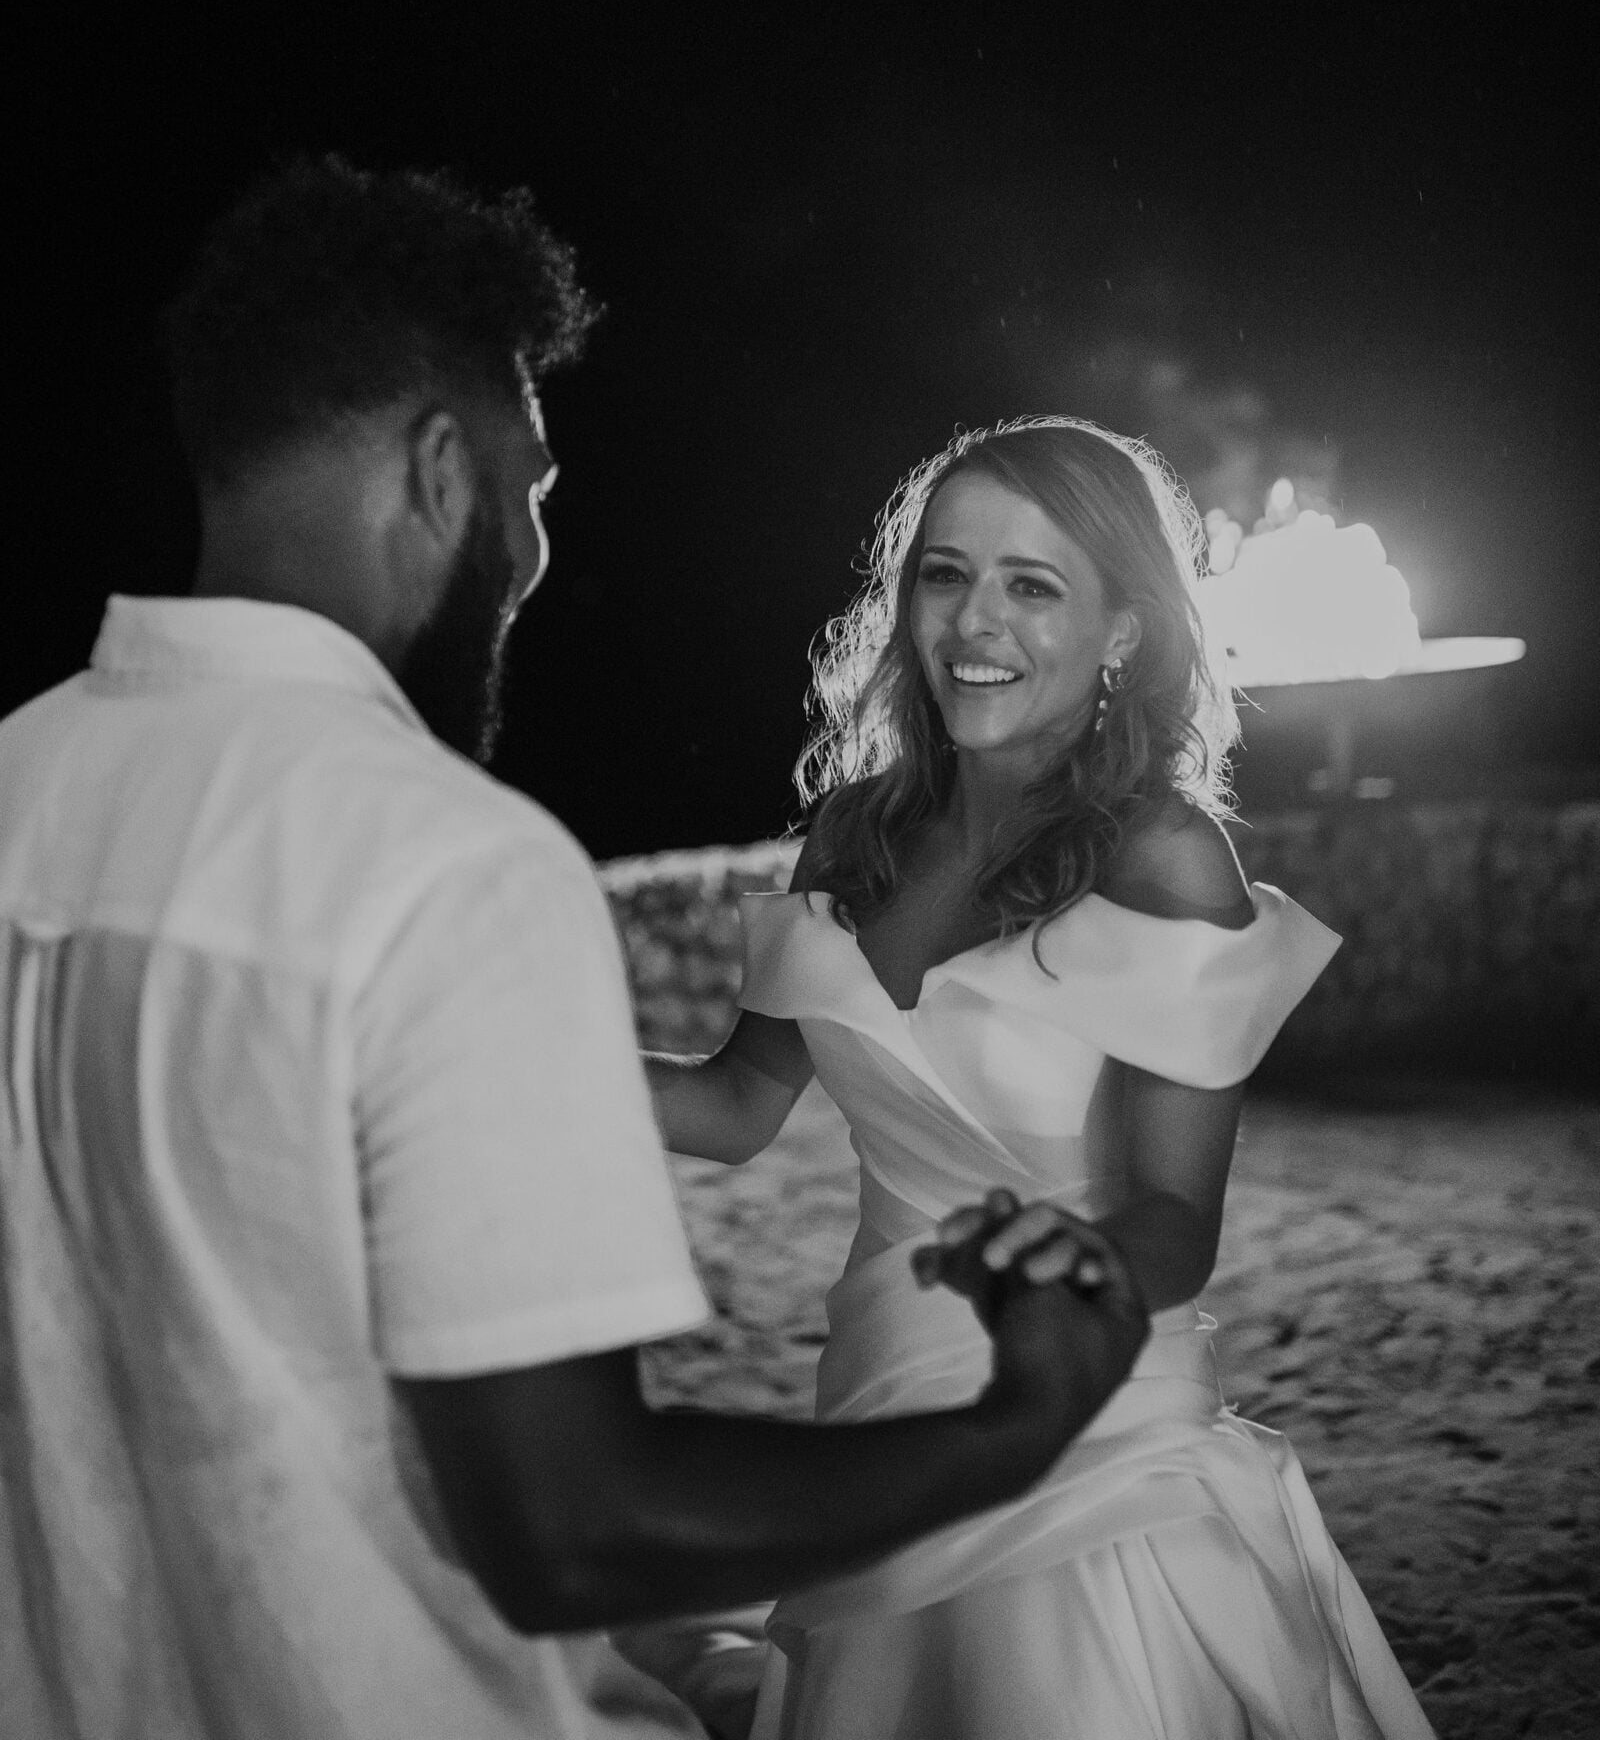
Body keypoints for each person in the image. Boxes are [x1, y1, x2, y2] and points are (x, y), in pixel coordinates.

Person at [0, 163, 1150, 1740]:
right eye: (531, 490)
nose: (537, 557)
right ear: (438, 470)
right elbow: (573, 1528)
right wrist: (1017, 1423)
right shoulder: (447, 865)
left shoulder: (21, 785)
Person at [647, 416, 1438, 1738]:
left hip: (1087, 1438)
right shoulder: (854, 834)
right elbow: (736, 1106)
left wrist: (1066, 1272)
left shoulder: (1163, 855)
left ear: (1124, 627)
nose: (976, 622)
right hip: (877, 1406)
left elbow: (1174, 1218)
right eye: (946, 574)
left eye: (1033, 585)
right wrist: (525, 1050)